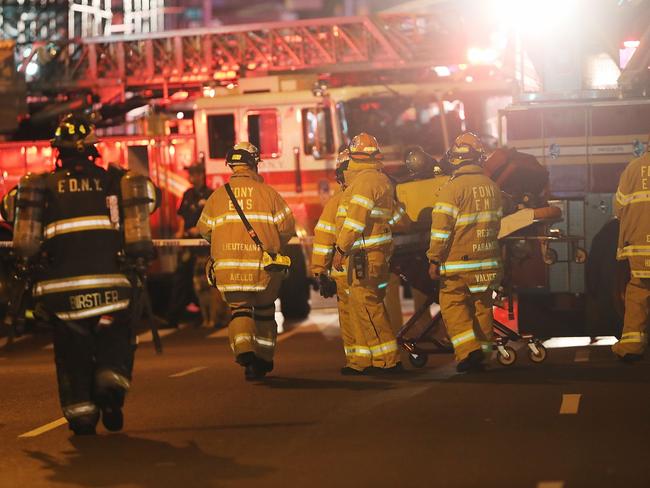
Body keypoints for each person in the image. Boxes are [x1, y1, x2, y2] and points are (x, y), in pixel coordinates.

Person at [28, 115, 148, 435]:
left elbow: (13, 215)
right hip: (111, 287)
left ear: (59, 151)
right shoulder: (114, 181)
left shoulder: (43, 188)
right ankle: (111, 386)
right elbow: (149, 203)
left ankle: (81, 414)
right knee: (117, 333)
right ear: (92, 150)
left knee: (70, 352)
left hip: (62, 291)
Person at [197, 142, 295, 380]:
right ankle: (263, 361)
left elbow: (204, 229)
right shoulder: (269, 194)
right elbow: (287, 228)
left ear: (231, 165)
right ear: (254, 163)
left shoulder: (218, 197)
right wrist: (274, 244)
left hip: (229, 270)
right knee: (264, 312)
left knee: (239, 310)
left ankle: (244, 351)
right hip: (264, 268)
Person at [427, 132, 502, 373]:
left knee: (453, 303)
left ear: (454, 159)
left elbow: (441, 230)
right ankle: (484, 351)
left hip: (458, 263)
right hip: (487, 261)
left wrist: (434, 259)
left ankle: (468, 350)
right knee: (482, 305)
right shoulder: (492, 187)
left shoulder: (452, 189)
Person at [332, 133, 402, 374]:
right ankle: (379, 359)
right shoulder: (382, 179)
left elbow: (355, 222)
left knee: (368, 306)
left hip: (365, 253)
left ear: (353, 157)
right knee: (371, 306)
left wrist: (340, 249)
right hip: (378, 253)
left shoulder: (363, 183)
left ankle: (388, 361)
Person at [311, 149, 366, 374]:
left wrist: (320, 271)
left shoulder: (337, 202)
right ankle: (372, 360)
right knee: (367, 314)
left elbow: (323, 238)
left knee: (352, 316)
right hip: (363, 268)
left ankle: (358, 362)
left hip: (344, 270)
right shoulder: (364, 196)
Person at [611, 140, 650, 362]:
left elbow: (619, 206)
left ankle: (632, 346)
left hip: (639, 247)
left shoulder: (633, 168)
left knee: (638, 292)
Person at [167, 161, 213, 328]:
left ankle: (209, 316)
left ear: (201, 175)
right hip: (188, 245)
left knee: (205, 283)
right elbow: (182, 216)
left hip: (203, 247)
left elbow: (213, 219)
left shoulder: (210, 195)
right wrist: (180, 233)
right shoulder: (187, 194)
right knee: (182, 279)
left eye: (194, 174)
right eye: (190, 174)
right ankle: (174, 318)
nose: (191, 177)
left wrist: (198, 229)